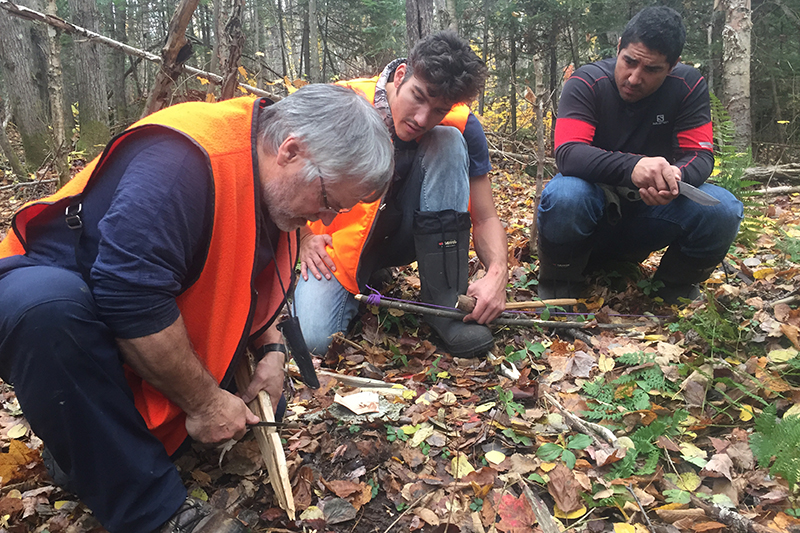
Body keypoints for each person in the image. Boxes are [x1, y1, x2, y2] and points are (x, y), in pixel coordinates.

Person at [0, 84, 393, 533]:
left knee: (261, 412)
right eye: (327, 201)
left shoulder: (270, 181)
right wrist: (205, 403)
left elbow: (250, 278)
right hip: (57, 305)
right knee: (46, 312)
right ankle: (154, 512)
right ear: (291, 150)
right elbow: (128, 296)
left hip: (137, 329)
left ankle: (110, 446)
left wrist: (271, 350)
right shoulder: (182, 164)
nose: (324, 220)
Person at [294, 31, 508, 357]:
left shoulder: (463, 124)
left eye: (438, 110)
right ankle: (367, 273)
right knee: (315, 339)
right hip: (338, 246)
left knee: (448, 141)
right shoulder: (342, 103)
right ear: (400, 75)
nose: (422, 118)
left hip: (411, 234)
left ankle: (444, 305)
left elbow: (487, 216)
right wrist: (303, 237)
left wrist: (497, 274)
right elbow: (284, 177)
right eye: (418, 97)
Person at [537, 6, 743, 304]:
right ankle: (559, 285)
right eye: (629, 62)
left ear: (673, 66)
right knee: (565, 194)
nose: (634, 78)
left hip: (652, 214)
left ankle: (673, 292)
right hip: (591, 207)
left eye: (652, 69)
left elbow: (700, 155)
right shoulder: (586, 82)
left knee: (723, 209)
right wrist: (633, 167)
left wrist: (675, 176)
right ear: (619, 46)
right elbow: (568, 153)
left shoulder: (687, 86)